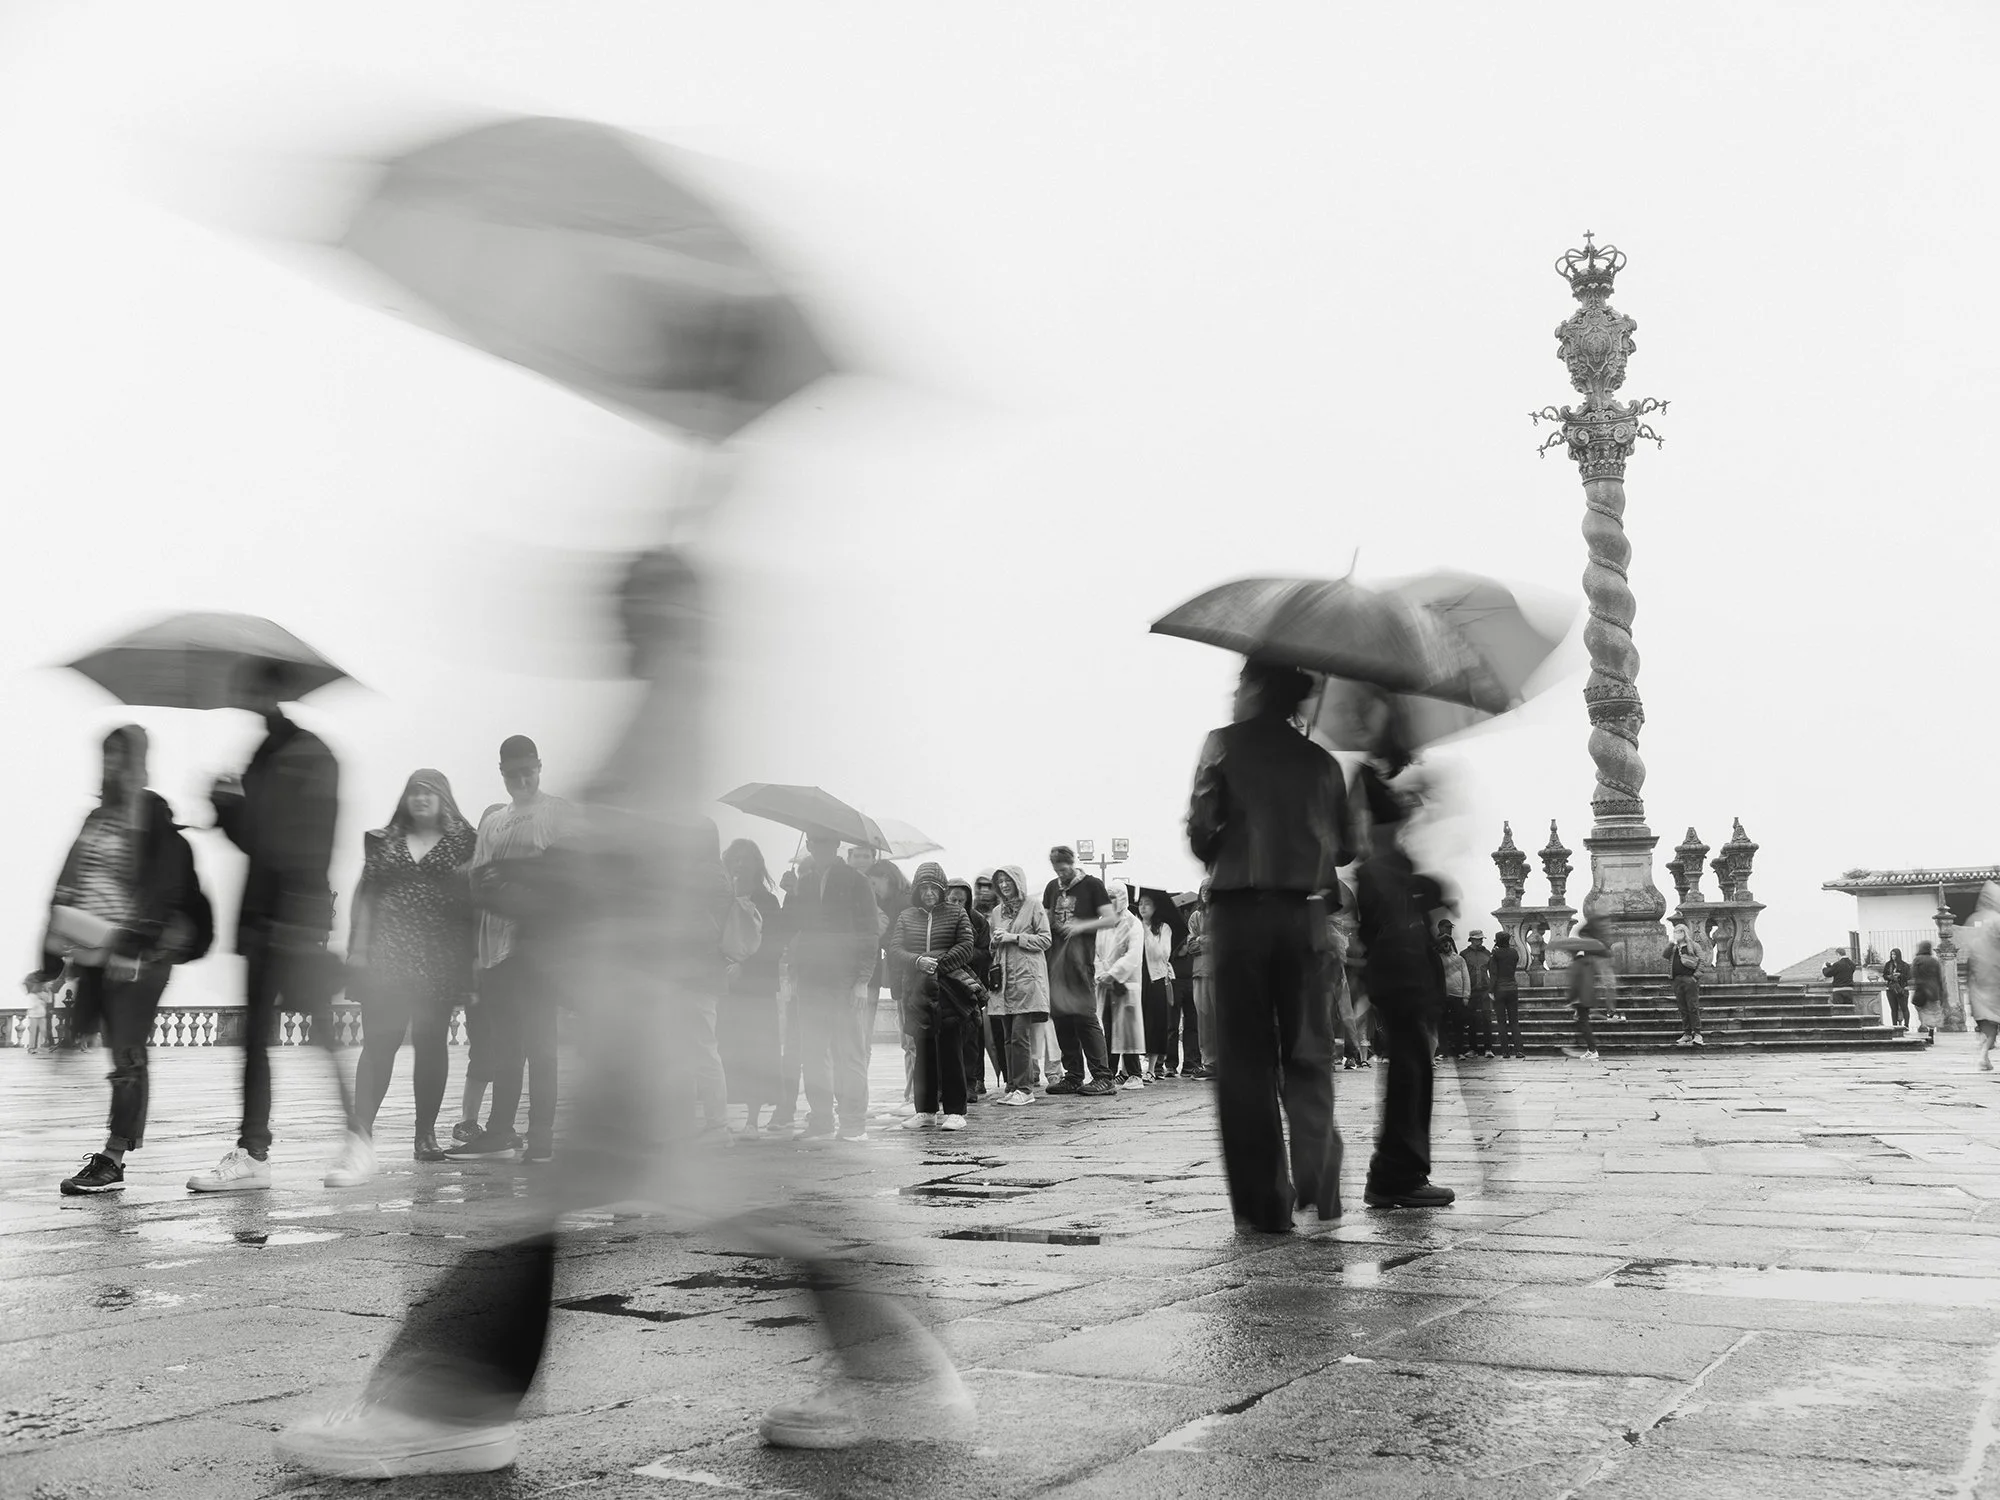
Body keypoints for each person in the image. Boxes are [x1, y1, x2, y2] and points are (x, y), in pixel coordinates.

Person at [1186, 659, 1351, 1231]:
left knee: (1246, 1061)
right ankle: (1320, 1181)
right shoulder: (1323, 762)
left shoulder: (1223, 746)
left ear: (1256, 688)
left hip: (1240, 916)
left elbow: (1201, 834)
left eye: (1239, 684)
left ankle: (1264, 1204)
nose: (1234, 694)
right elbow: (1348, 845)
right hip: (1304, 917)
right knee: (1308, 1052)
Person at [191, 664, 348, 1194]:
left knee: (320, 1033)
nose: (244, 695)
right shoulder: (263, 754)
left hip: (291, 916)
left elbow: (305, 840)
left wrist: (238, 808)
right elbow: (257, 839)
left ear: (277, 690)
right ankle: (254, 1148)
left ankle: (358, 1135)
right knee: (256, 1036)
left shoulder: (310, 754)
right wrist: (225, 809)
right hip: (262, 914)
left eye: (253, 687)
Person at [35, 726, 211, 1194]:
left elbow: (166, 887)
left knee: (127, 1051)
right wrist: (48, 960)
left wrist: (135, 942)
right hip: (95, 947)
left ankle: (113, 1158)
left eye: (121, 757)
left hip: (144, 953)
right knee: (80, 1042)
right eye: (106, 756)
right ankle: (115, 1137)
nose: (112, 765)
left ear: (139, 762)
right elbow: (66, 887)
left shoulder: (152, 816)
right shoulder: (96, 818)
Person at [332, 770, 477, 1186]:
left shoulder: (464, 844)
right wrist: (358, 949)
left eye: (430, 791)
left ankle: (425, 1135)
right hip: (387, 959)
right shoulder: (383, 842)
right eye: (415, 790)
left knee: (432, 1046)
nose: (421, 798)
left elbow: (471, 905)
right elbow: (365, 897)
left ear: (445, 799)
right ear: (405, 798)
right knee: (379, 1044)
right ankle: (361, 1136)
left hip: (438, 960)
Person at [449, 737, 583, 1163]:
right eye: (513, 774)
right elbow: (479, 880)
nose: (523, 780)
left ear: (540, 767)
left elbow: (572, 876)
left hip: (540, 947)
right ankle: (500, 1130)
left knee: (542, 1046)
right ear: (502, 773)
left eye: (530, 771)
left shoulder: (559, 813)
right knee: (505, 1046)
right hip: (495, 949)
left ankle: (540, 1134)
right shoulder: (494, 822)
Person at [1354, 759, 1453, 1211]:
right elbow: (1391, 929)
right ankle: (1396, 1174)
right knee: (1410, 1074)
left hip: (1403, 981)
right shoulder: (1380, 863)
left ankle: (1399, 1172)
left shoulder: (1390, 860)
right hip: (1401, 982)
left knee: (1413, 1073)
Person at [786, 832, 883, 1140]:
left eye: (826, 841)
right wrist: (791, 893)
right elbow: (794, 926)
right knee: (813, 1054)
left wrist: (861, 981)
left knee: (849, 1054)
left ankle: (854, 1123)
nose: (819, 846)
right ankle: (822, 1120)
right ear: (810, 845)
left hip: (845, 980)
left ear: (835, 845)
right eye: (815, 842)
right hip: (811, 979)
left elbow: (869, 933)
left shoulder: (855, 881)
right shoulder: (806, 881)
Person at [888, 862, 976, 1131]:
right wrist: (917, 962)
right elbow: (894, 949)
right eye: (923, 888)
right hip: (916, 991)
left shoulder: (957, 913)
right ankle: (925, 1110)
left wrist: (938, 962)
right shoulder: (905, 917)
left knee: (951, 1050)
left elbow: (967, 946)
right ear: (916, 890)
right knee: (923, 1052)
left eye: (934, 888)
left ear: (942, 889)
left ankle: (956, 1111)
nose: (928, 893)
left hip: (948, 990)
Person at [721, 839, 786, 1134]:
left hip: (757, 988)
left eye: (745, 860)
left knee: (758, 1051)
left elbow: (774, 944)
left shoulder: (768, 902)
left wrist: (744, 966)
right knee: (730, 1050)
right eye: (735, 859)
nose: (739, 865)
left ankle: (752, 1117)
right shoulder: (722, 899)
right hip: (728, 987)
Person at [1042, 848, 1118, 1097]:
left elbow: (1109, 918)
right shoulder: (1052, 887)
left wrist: (1081, 926)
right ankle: (1073, 1075)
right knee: (1062, 1018)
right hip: (1056, 962)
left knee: (1085, 1017)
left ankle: (1103, 1077)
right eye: (1056, 870)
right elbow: (1046, 918)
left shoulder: (1092, 884)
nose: (1060, 875)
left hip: (1080, 960)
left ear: (1072, 864)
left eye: (1063, 870)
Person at [987, 866, 1051, 1106]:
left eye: (1008, 880)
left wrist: (1014, 938)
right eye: (1000, 881)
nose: (1004, 885)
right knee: (1006, 1037)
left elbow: (1045, 939)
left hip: (1026, 978)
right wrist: (995, 942)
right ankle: (1013, 1086)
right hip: (1003, 982)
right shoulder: (996, 912)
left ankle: (1026, 1088)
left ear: (1018, 882)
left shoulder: (1033, 906)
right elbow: (995, 947)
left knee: (1019, 1036)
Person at [945, 879, 996, 1100]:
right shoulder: (938, 918)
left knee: (972, 1036)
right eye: (952, 899)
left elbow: (986, 953)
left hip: (970, 984)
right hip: (946, 983)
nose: (956, 904)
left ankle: (973, 1082)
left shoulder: (977, 920)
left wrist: (962, 953)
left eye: (961, 901)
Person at [1098, 882, 1147, 1087]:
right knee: (1109, 1028)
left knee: (1127, 1029)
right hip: (1106, 984)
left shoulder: (1133, 923)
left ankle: (1135, 1074)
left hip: (1126, 982)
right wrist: (1101, 973)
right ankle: (1108, 1072)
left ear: (1123, 898)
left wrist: (1113, 973)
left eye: (1114, 897)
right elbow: (1096, 952)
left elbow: (1133, 955)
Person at [1138, 892, 1177, 1081]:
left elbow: (1162, 953)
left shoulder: (1163, 928)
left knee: (1155, 1023)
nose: (1143, 907)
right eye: (1140, 904)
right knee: (1137, 1022)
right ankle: (1129, 1069)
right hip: (1138, 978)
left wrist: (1146, 932)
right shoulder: (1134, 926)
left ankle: (1152, 1069)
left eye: (1147, 904)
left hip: (1156, 977)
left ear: (1155, 908)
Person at [1964, 884, 2000, 1072]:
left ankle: (1984, 1054)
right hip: (1995, 980)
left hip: (1978, 980)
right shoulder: (1997, 920)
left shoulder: (1974, 919)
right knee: (1994, 1020)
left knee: (1988, 1023)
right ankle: (1983, 1053)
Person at [1183, 883, 1215, 1079]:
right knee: (1204, 1020)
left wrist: (1201, 940)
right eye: (1203, 890)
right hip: (1199, 972)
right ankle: (1210, 1063)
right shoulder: (1196, 916)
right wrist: (1206, 940)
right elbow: (1190, 946)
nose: (1206, 893)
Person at [1565, 921, 1609, 1061]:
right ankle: (1585, 1047)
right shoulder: (1587, 962)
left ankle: (1592, 1049)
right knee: (1581, 1022)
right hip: (1587, 997)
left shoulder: (1577, 964)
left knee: (1583, 1023)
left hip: (1581, 998)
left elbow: (1575, 985)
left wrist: (1570, 1000)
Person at [1665, 920, 1706, 1048]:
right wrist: (1671, 943)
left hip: (1690, 979)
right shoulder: (1674, 947)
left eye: (1679, 931)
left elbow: (1702, 961)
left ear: (1684, 932)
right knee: (1682, 1008)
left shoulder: (1693, 945)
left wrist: (1695, 977)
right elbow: (1665, 955)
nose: (1677, 934)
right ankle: (1687, 1033)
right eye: (1675, 931)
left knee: (1692, 1007)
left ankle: (1698, 1034)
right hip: (1677, 980)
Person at [1437, 927, 1471, 1060]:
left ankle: (1459, 1051)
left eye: (1448, 942)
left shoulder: (1460, 959)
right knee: (1442, 1025)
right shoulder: (1437, 958)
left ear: (1451, 944)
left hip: (1458, 996)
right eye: (1443, 943)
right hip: (1442, 996)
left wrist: (1466, 995)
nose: (1446, 945)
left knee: (1458, 1025)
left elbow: (1466, 977)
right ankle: (1443, 1051)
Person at [1490, 930, 1524, 1058]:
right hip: (1512, 988)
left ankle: (1505, 1051)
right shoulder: (1514, 952)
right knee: (1514, 1021)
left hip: (1499, 989)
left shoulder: (1495, 954)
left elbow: (1493, 974)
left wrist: (1490, 990)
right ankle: (1519, 1050)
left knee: (1501, 1022)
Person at [1461, 930, 1496, 1059]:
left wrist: (1492, 989)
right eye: (1478, 939)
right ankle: (1472, 1049)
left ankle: (1488, 1048)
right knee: (1471, 1020)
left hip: (1485, 991)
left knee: (1487, 1019)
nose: (1481, 941)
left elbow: (1492, 973)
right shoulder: (1464, 955)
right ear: (1471, 940)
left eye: (1481, 939)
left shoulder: (1488, 954)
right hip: (1471, 991)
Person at [1912, 939, 1946, 1045]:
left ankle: (1924, 1026)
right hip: (1933, 990)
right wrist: (1941, 991)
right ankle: (1931, 1033)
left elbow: (1913, 973)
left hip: (1921, 989)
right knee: (1932, 1011)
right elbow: (1939, 977)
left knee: (1920, 1008)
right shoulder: (1934, 961)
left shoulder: (1917, 960)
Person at [1882, 947, 1912, 1032]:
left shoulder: (1904, 965)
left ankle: (1906, 1025)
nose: (1893, 956)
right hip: (1891, 989)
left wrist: (1900, 975)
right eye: (1891, 954)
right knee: (1893, 1008)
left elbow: (1909, 976)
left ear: (1898, 955)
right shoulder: (1888, 964)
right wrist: (1890, 977)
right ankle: (1894, 1025)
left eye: (1894, 954)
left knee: (1904, 1007)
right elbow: (1884, 975)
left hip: (1901, 988)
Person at [1822, 949, 1858, 1016]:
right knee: (1849, 1011)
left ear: (1838, 954)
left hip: (1838, 991)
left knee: (1839, 1011)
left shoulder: (1837, 964)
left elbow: (1827, 974)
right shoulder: (1852, 964)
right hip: (1849, 990)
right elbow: (1844, 967)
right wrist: (1833, 964)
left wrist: (1824, 967)